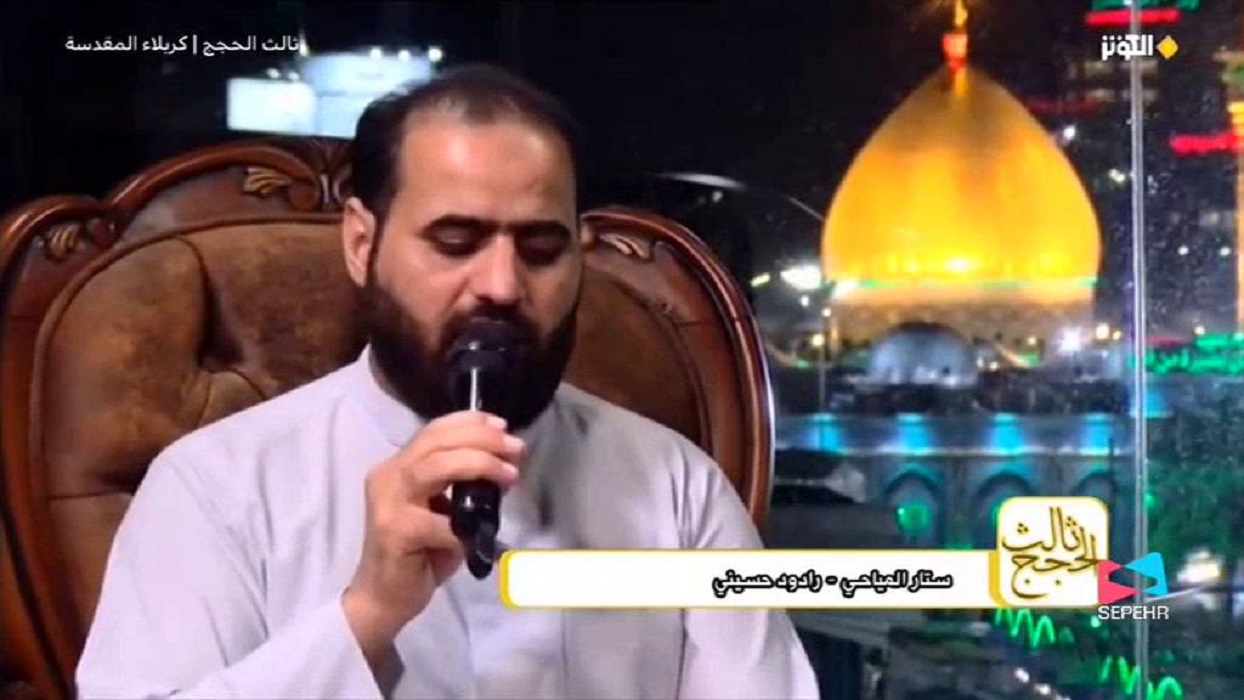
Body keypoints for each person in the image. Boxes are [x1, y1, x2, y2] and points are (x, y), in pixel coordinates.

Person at [76, 64, 819, 699]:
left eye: (541, 248)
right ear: (362, 244)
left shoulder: (677, 489)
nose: (501, 285)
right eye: (455, 242)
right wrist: (365, 614)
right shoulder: (217, 487)